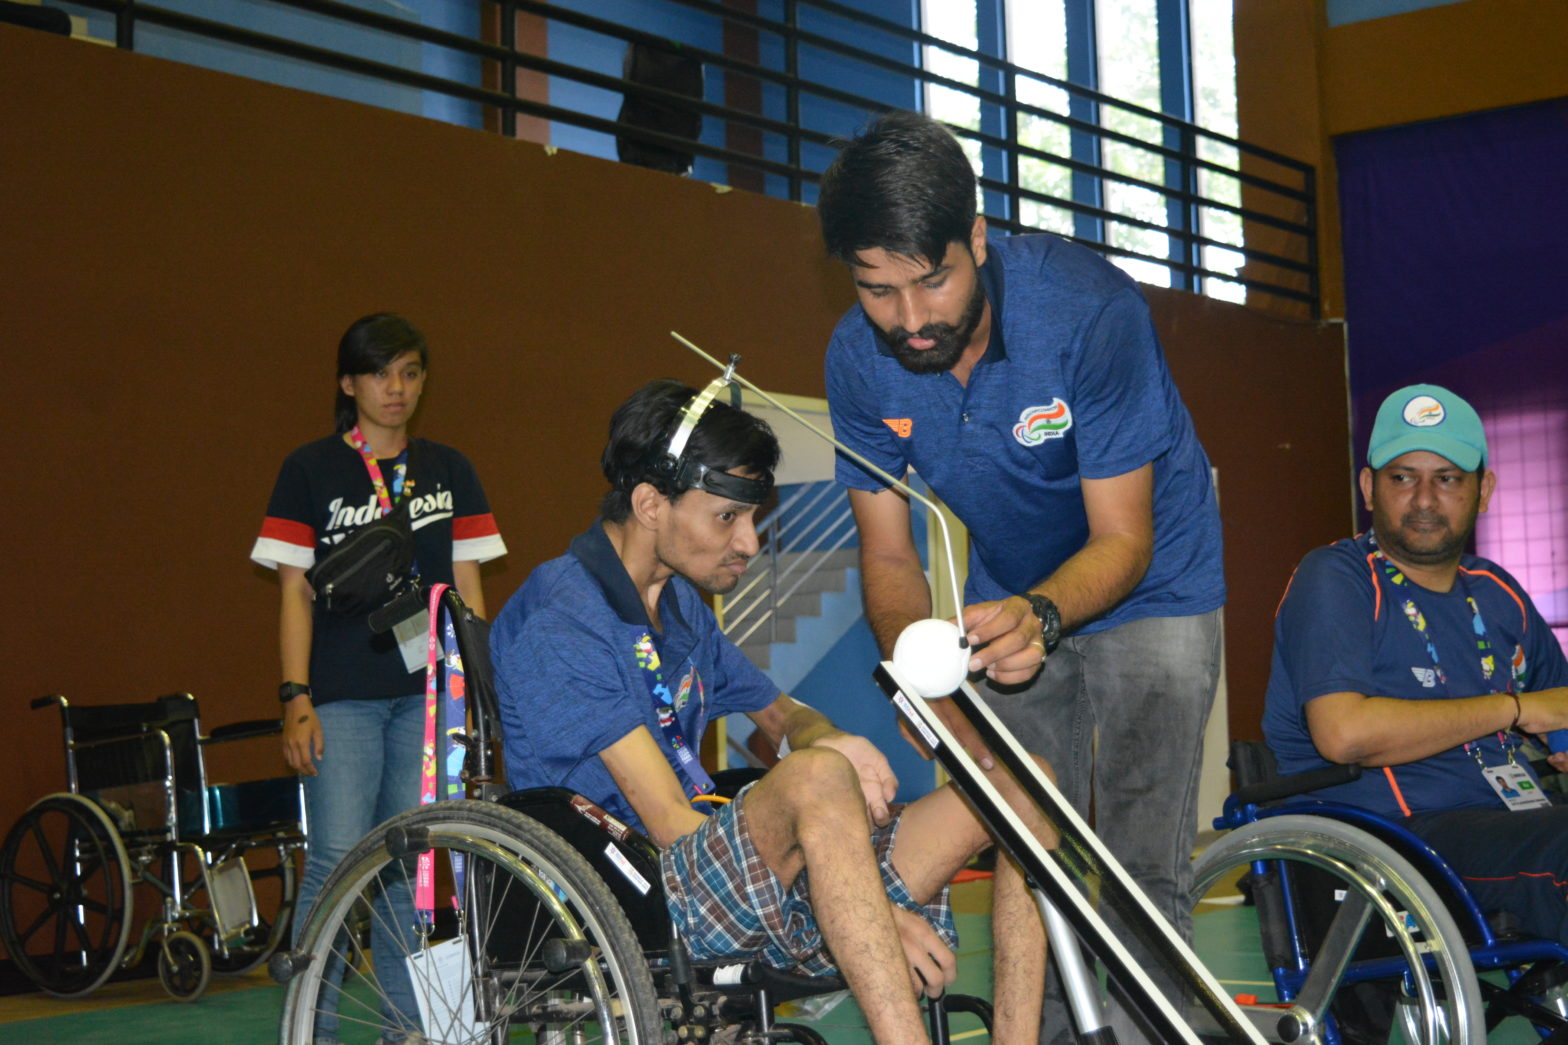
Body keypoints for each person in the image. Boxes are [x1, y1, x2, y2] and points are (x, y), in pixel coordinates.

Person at [816, 109, 1225, 1039]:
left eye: (932, 282)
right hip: (1013, 591)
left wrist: (1045, 614)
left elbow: (1124, 538)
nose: (911, 321)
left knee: (1133, 857)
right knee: (1023, 839)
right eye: (878, 291)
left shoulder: (1090, 315)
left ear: (977, 237)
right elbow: (886, 555)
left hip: (1152, 577)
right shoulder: (859, 361)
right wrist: (927, 688)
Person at [490, 379, 1052, 1045]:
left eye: (752, 517)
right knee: (815, 779)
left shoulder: (678, 608)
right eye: (727, 517)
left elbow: (782, 717)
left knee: (1023, 782)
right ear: (649, 504)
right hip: (636, 891)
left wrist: (830, 735)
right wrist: (864, 895)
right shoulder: (564, 619)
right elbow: (670, 823)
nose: (750, 543)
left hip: (743, 872)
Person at [250, 313, 506, 1044]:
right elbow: (294, 591)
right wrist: (295, 697)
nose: (397, 389)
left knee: (413, 865)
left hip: (428, 702)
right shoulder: (310, 469)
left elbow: (468, 584)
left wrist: (475, 695)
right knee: (334, 859)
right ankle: (311, 1031)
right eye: (380, 374)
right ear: (349, 383)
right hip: (342, 697)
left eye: (410, 373)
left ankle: (405, 1028)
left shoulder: (450, 468)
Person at [1264, 383, 1568, 947]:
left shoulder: (1496, 591)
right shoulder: (1336, 577)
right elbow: (1343, 734)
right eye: (1402, 477)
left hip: (1511, 820)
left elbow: (1561, 707)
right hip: (1395, 839)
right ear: (1369, 488)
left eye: (1448, 479)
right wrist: (1513, 709)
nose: (1424, 499)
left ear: (1484, 491)